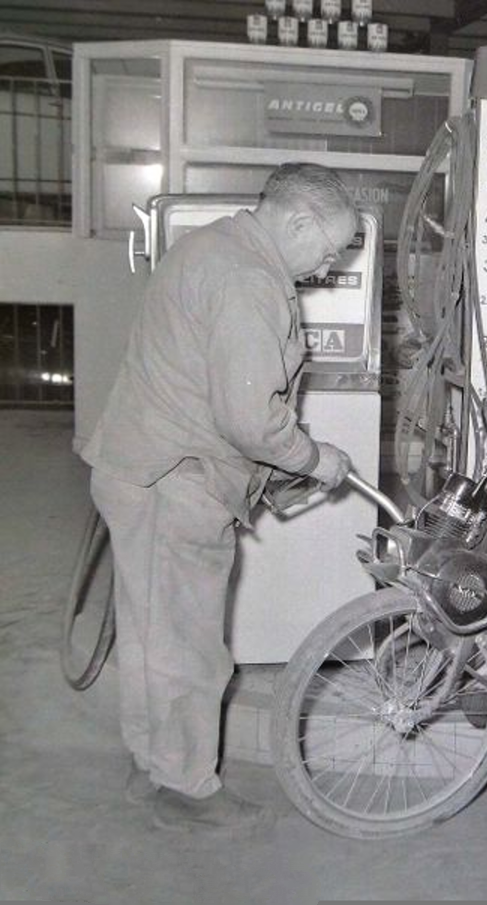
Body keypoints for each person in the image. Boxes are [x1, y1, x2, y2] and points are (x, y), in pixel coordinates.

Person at [81, 162, 358, 833]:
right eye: (326, 250)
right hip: (175, 481)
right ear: (295, 220)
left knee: (154, 630)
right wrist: (314, 458)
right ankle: (182, 785)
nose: (327, 268)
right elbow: (248, 418)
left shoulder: (213, 245)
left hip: (146, 465)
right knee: (188, 644)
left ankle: (154, 761)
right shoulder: (248, 279)